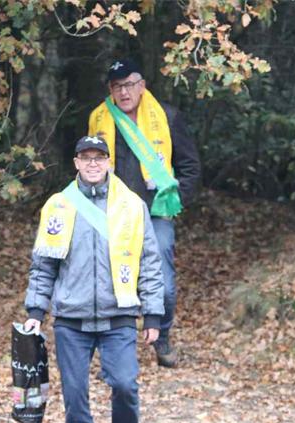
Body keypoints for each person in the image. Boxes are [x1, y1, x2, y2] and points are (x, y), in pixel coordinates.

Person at [24, 135, 164, 423]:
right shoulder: (59, 205)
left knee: (125, 384)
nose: (92, 164)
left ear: (108, 162)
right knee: (75, 396)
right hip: (71, 319)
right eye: (85, 157)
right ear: (75, 163)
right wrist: (36, 310)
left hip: (119, 316)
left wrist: (152, 314)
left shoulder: (132, 205)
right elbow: (43, 265)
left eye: (99, 157)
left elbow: (150, 262)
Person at [88, 58, 201, 368]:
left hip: (155, 213)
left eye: (129, 85)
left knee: (163, 284)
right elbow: (89, 166)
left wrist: (176, 201)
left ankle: (162, 336)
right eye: (117, 87)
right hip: (112, 213)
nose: (124, 93)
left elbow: (190, 166)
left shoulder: (167, 116)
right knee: (110, 283)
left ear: (142, 86)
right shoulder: (99, 119)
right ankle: (115, 351)